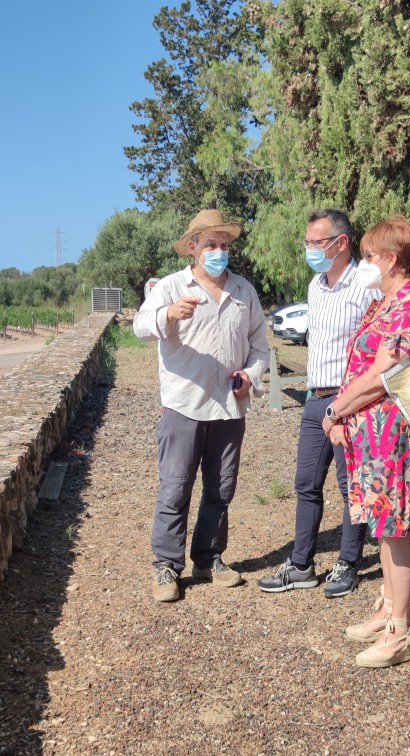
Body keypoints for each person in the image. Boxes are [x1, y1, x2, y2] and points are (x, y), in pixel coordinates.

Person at [133, 209, 270, 603]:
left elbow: (260, 347)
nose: (218, 251)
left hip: (229, 407)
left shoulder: (244, 291)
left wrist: (251, 375)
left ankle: (209, 559)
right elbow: (140, 327)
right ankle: (166, 565)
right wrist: (167, 315)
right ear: (193, 247)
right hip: (183, 406)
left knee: (221, 489)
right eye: (210, 244)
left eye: (224, 245)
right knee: (175, 487)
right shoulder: (173, 286)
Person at [323, 214, 410, 667]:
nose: (363, 263)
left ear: (389, 260)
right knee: (381, 525)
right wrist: (345, 417)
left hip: (393, 436)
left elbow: (379, 378)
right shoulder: (382, 302)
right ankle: (387, 607)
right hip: (370, 435)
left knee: (395, 527)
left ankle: (400, 632)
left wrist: (335, 410)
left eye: (368, 256)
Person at [257, 209, 378, 597]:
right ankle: (301, 564)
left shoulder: (366, 285)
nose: (309, 249)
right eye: (307, 242)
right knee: (306, 483)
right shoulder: (315, 286)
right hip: (316, 398)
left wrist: (346, 406)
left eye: (316, 242)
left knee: (350, 487)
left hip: (350, 403)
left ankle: (347, 563)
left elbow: (375, 352)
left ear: (340, 242)